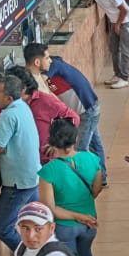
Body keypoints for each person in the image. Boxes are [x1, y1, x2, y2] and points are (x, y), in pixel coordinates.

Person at [0, 72, 42, 250]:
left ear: (8, 98)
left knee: (3, 228)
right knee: (36, 222)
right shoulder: (21, 106)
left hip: (18, 183)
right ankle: (40, 253)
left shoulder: (8, 115)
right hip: (31, 176)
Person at [27, 43, 106, 182]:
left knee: (78, 148)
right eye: (47, 57)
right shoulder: (49, 67)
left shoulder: (54, 66)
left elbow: (41, 85)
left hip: (87, 111)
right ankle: (102, 178)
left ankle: (82, 182)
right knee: (95, 144)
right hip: (89, 108)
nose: (49, 60)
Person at [38, 119, 104, 256]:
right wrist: (82, 212)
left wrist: (75, 216)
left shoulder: (48, 170)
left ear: (51, 142)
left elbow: (50, 209)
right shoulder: (93, 159)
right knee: (86, 255)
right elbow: (97, 189)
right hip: (90, 221)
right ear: (75, 139)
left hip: (64, 226)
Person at [86, 0, 129, 88]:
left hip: (125, 22)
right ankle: (117, 74)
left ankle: (124, 78)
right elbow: (96, 0)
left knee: (125, 50)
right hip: (115, 22)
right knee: (114, 48)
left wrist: (117, 24)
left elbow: (124, 10)